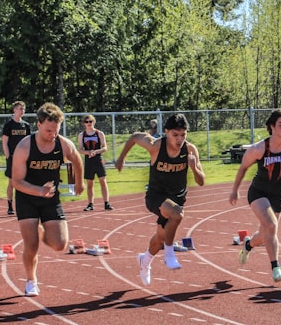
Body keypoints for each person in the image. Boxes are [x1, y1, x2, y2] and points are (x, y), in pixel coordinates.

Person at [116, 113, 205, 286]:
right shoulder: (156, 146)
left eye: (183, 135)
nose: (179, 139)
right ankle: (169, 253)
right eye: (175, 135)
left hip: (177, 198)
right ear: (166, 132)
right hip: (156, 196)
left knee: (159, 238)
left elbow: (201, 181)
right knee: (177, 215)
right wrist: (121, 158)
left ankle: (145, 261)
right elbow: (135, 137)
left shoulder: (190, 150)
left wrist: (194, 168)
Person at [11, 103, 84, 296]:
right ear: (39, 124)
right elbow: (16, 181)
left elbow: (77, 160)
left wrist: (79, 182)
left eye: (56, 130)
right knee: (31, 245)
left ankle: (43, 232)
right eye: (48, 130)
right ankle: (31, 280)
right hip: (27, 198)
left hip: (50, 198)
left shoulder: (63, 144)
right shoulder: (25, 146)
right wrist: (38, 190)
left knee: (60, 244)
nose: (52, 134)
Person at [230, 109, 281, 284]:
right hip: (258, 193)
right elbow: (243, 168)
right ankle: (275, 267)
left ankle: (248, 244)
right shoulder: (259, 148)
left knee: (265, 235)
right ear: (272, 127)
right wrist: (234, 190)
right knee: (272, 225)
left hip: (277, 195)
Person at [1, 101, 30, 216]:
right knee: (12, 182)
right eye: (19, 109)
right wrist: (8, 157)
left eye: (23, 109)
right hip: (13, 157)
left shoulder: (26, 125)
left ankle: (25, 205)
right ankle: (10, 206)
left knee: (25, 182)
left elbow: (29, 142)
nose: (22, 111)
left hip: (24, 158)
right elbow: (4, 142)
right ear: (14, 110)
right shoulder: (8, 125)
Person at [78, 114, 113, 212]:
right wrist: (88, 152)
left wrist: (96, 152)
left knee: (103, 181)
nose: (89, 123)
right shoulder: (81, 135)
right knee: (90, 183)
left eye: (90, 121)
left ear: (94, 122)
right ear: (84, 123)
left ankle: (107, 203)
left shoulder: (99, 133)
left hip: (98, 159)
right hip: (89, 160)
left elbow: (105, 147)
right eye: (87, 122)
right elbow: (80, 149)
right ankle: (90, 204)